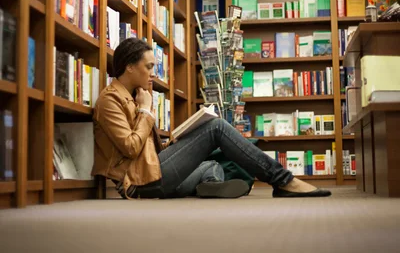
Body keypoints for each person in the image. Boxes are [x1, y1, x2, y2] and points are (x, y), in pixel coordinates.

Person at [92, 38, 332, 200]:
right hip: (137, 185)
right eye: (149, 66)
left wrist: (175, 143)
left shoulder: (136, 96)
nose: (153, 72)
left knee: (212, 164)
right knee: (215, 128)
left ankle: (209, 185)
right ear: (129, 67)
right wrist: (145, 111)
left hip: (150, 174)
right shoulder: (109, 100)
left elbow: (146, 153)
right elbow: (132, 148)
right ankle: (283, 181)